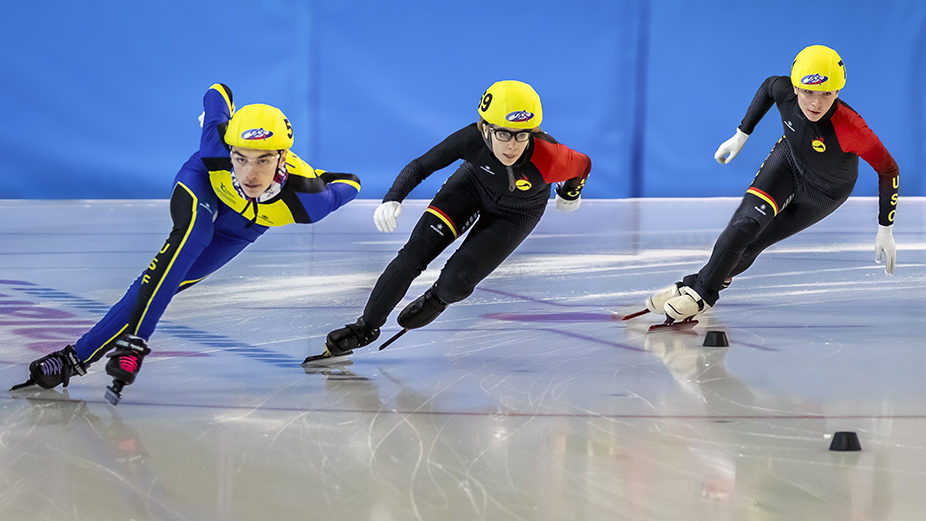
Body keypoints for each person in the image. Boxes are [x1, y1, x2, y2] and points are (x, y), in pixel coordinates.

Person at [13, 83, 361, 398]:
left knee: (159, 283)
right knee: (191, 238)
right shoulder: (215, 147)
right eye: (240, 158)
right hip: (204, 186)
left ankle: (74, 358)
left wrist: (321, 177)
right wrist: (225, 116)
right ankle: (134, 344)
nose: (250, 174)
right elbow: (217, 91)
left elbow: (351, 182)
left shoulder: (308, 201)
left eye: (263, 160)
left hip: (241, 230)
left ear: (282, 157)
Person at [311, 80, 591, 362]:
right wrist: (393, 197)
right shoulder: (471, 138)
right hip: (470, 188)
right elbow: (421, 165)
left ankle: (439, 297)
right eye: (503, 134)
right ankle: (365, 328)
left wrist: (569, 192)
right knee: (411, 257)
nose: (512, 145)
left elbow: (583, 165)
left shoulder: (551, 158)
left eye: (521, 136)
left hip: (517, 213)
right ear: (484, 128)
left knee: (456, 282)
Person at [645, 45, 899, 323]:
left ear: (837, 92)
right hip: (788, 162)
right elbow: (767, 87)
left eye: (826, 94)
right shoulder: (783, 90)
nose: (815, 103)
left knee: (754, 243)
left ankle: (696, 285)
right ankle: (703, 293)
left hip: (824, 192)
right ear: (795, 87)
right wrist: (741, 135)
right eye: (807, 91)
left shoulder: (852, 128)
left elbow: (889, 170)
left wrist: (885, 228)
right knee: (744, 226)